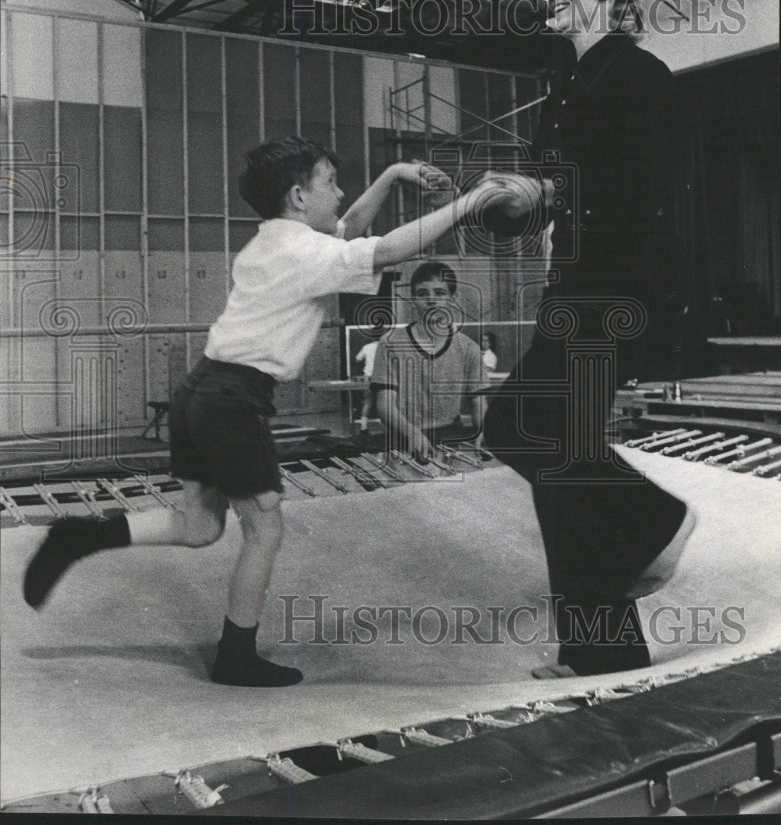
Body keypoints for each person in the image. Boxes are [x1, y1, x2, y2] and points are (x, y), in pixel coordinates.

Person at [23, 138, 524, 687]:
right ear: (298, 195)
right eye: (329, 181)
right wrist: (469, 204)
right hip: (232, 401)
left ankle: (80, 537)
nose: (339, 192)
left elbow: (350, 231)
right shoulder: (305, 253)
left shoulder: (275, 241)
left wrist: (394, 174)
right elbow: (385, 249)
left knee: (198, 526)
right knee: (264, 528)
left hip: (201, 393)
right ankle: (235, 656)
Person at [483, 0, 696, 678]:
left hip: (623, 287)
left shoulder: (639, 77)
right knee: (535, 440)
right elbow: (552, 194)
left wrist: (546, 188)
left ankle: (642, 549)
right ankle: (612, 617)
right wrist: (516, 201)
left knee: (544, 440)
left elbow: (636, 193)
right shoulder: (564, 85)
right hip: (575, 285)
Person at [371, 260, 484, 462]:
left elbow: (478, 401)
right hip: (402, 442)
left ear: (452, 299)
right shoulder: (390, 343)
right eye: (423, 294)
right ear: (413, 300)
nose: (431, 300)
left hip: (451, 442)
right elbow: (385, 405)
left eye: (440, 293)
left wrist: (484, 429)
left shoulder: (470, 349)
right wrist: (412, 433)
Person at [354, 336, 379, 434]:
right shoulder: (385, 346)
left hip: (368, 378)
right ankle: (388, 427)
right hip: (382, 377)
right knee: (383, 403)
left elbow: (357, 359)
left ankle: (363, 428)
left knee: (368, 402)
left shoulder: (367, 346)